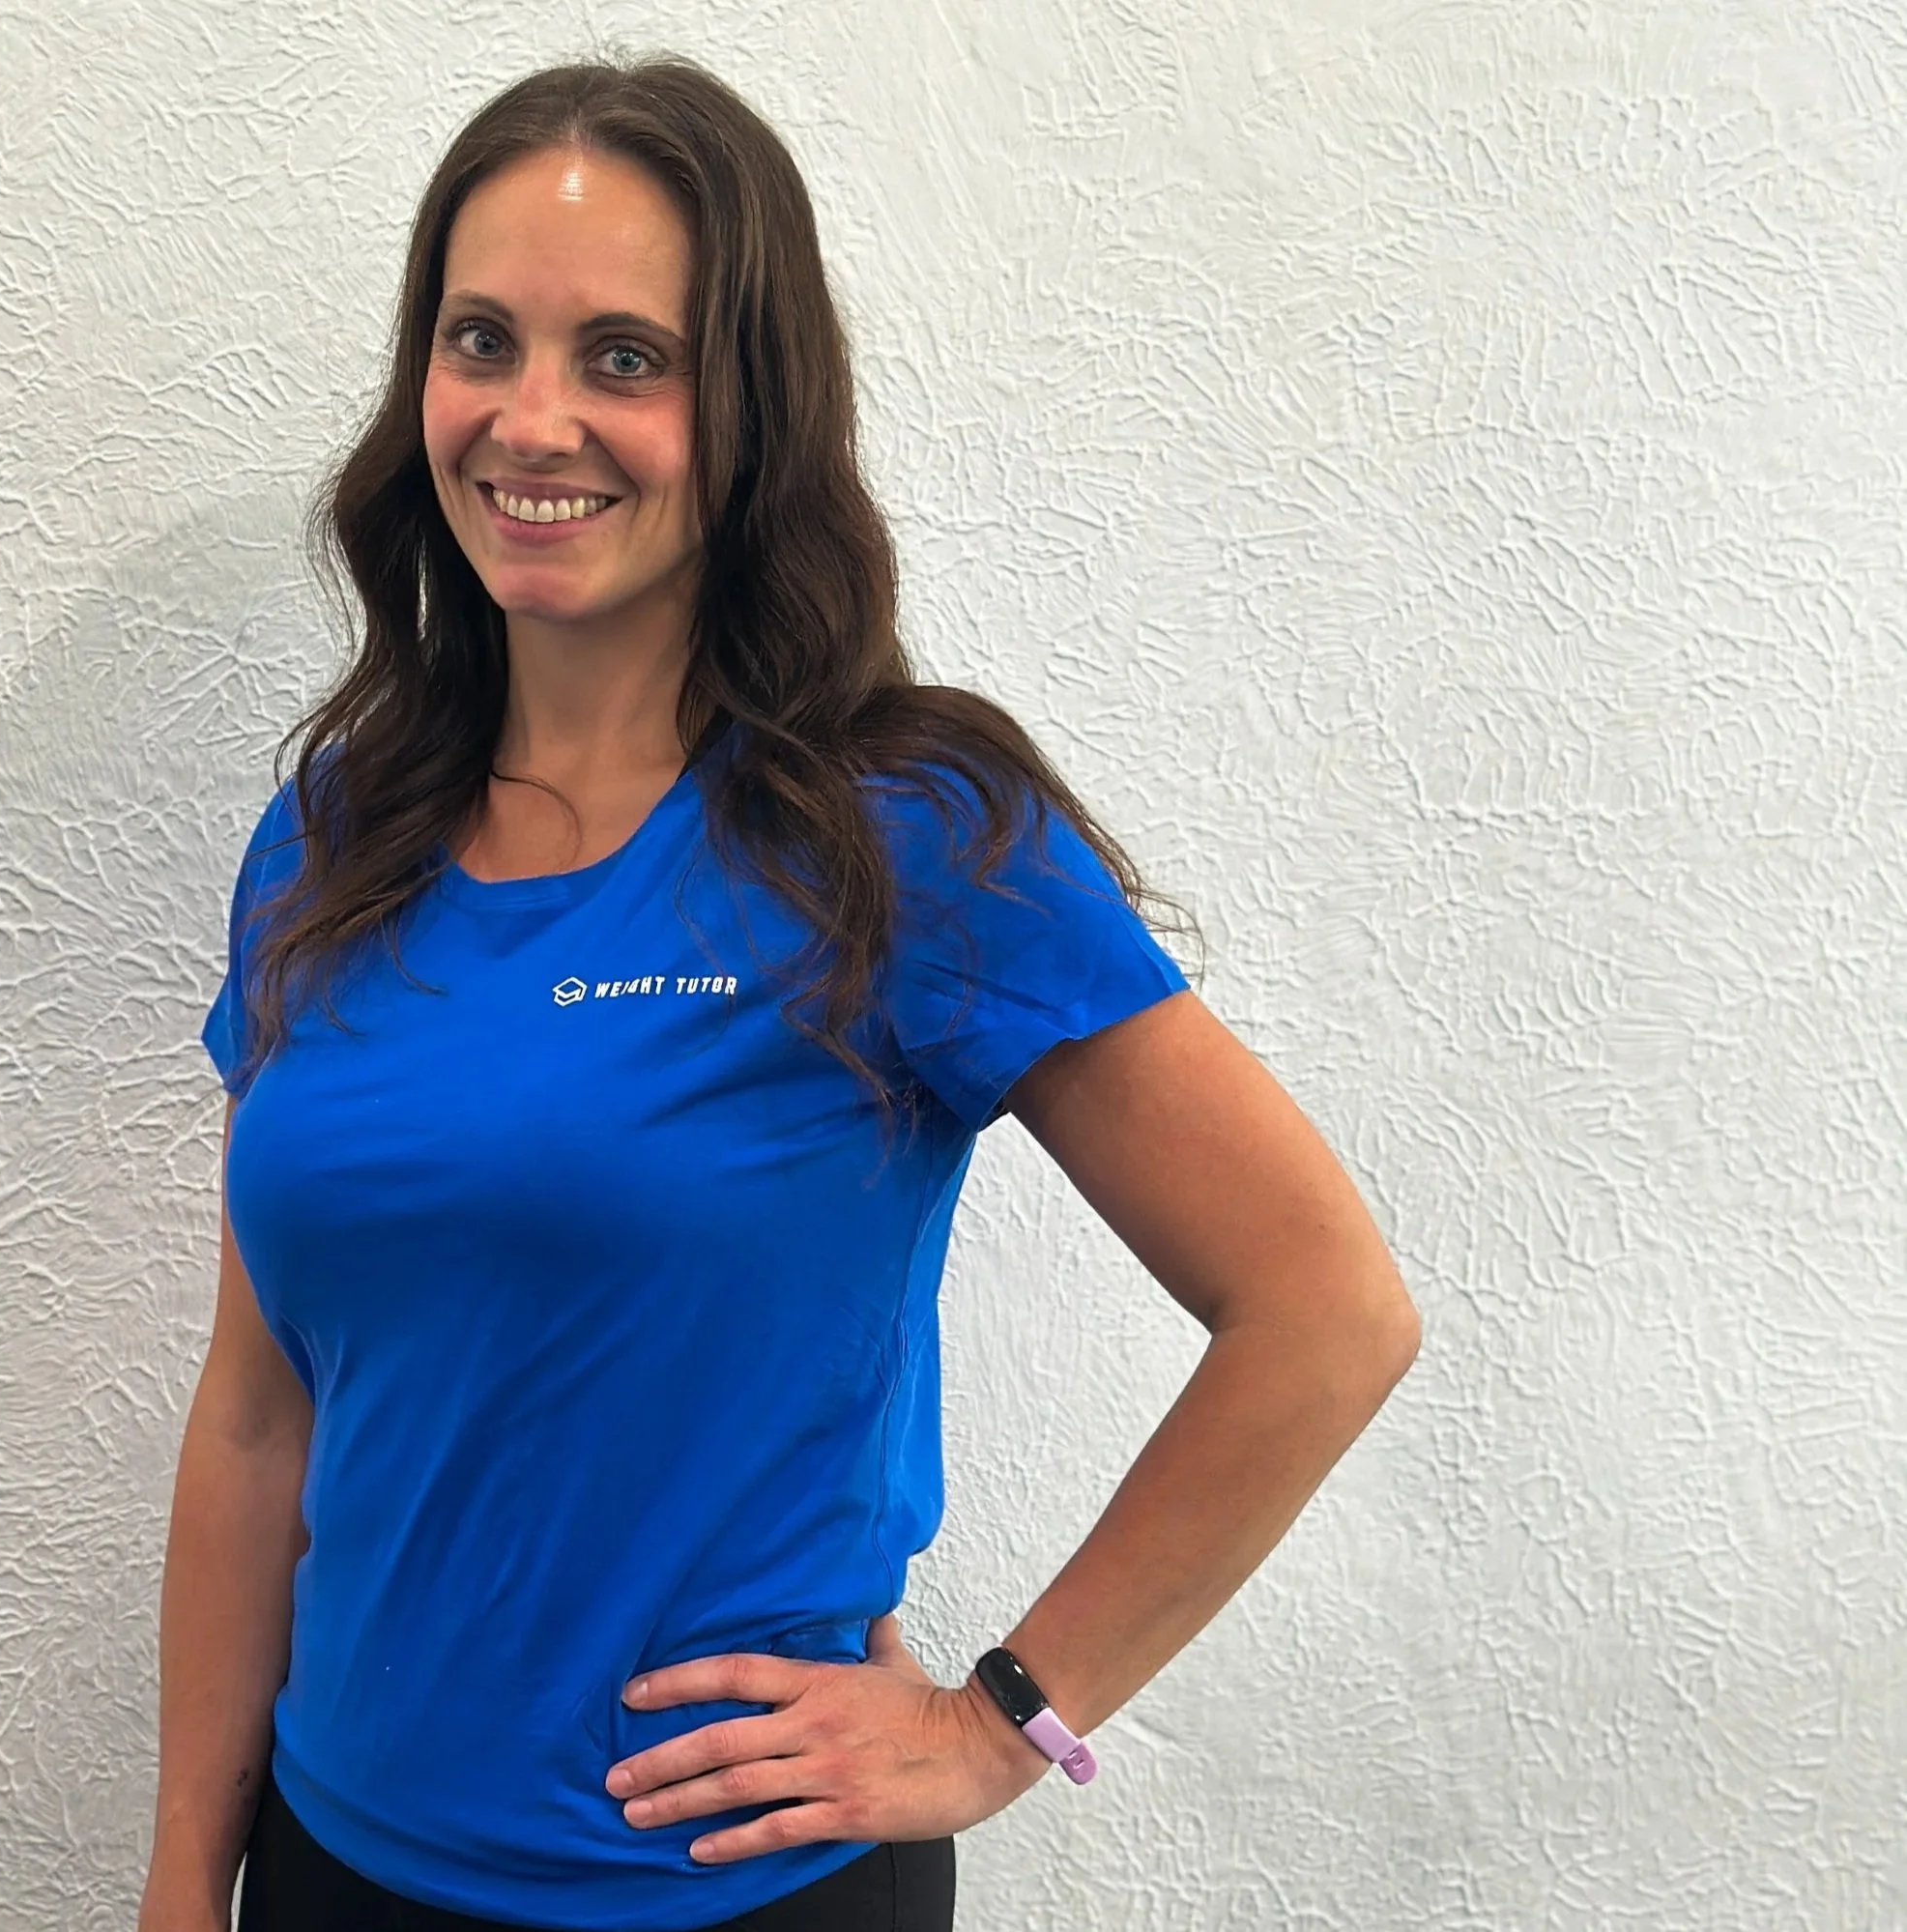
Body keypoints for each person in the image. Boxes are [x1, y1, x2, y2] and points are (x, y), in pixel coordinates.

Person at [137, 54, 1420, 1932]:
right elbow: (258, 1415)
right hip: (335, 1873)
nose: (532, 417)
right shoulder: (333, 835)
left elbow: (1325, 1310)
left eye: (625, 358)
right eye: (479, 339)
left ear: (746, 404)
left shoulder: (894, 839)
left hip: (738, 1901)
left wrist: (994, 1729)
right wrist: (185, 1873)